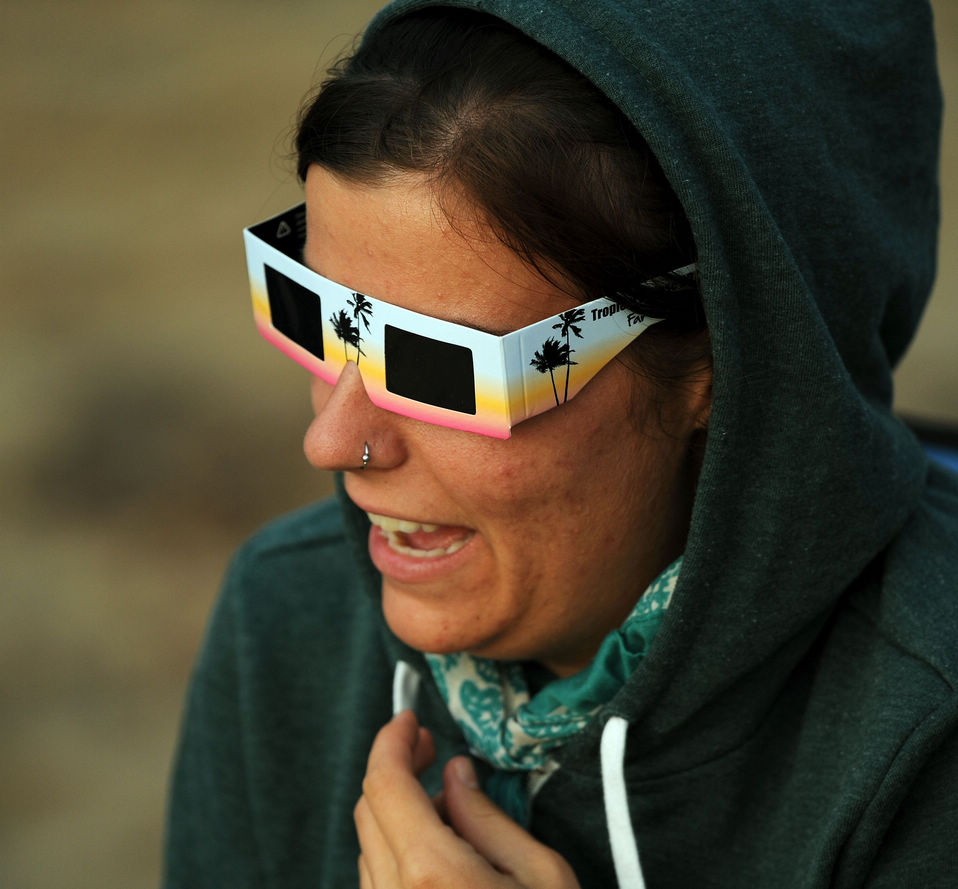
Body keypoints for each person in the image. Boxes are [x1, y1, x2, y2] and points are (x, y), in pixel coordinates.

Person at [163, 1, 958, 887]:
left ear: (722, 365)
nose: (332, 439)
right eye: (315, 312)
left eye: (438, 366)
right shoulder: (286, 618)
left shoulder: (927, 731)